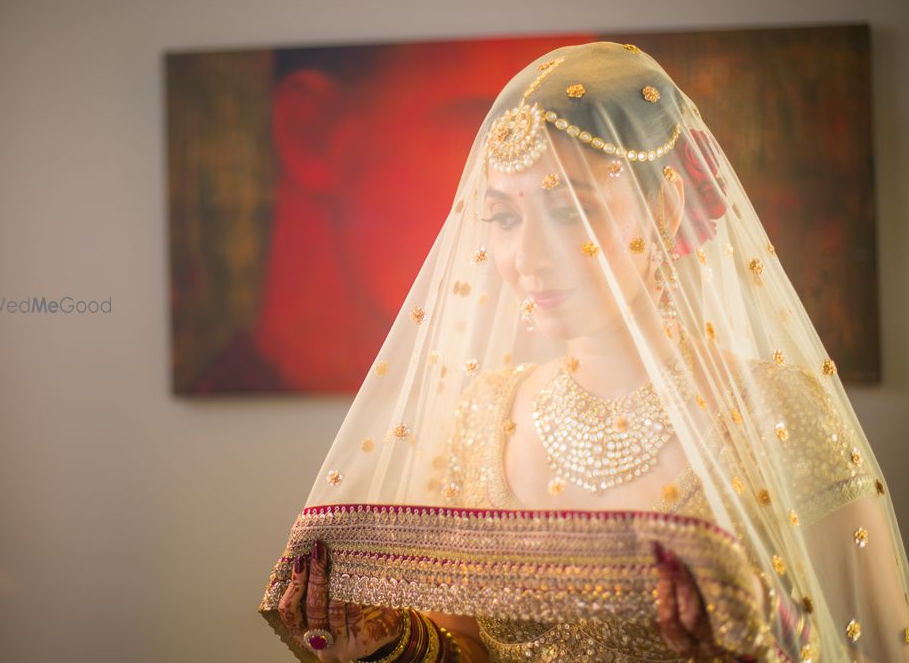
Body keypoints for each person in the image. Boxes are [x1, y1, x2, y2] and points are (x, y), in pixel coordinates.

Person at [258, 41, 909, 662]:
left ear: (665, 206)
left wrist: (764, 647)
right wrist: (386, 645)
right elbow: (473, 647)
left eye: (570, 211)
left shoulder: (779, 411)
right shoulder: (487, 415)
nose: (527, 259)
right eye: (506, 218)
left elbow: (880, 644)